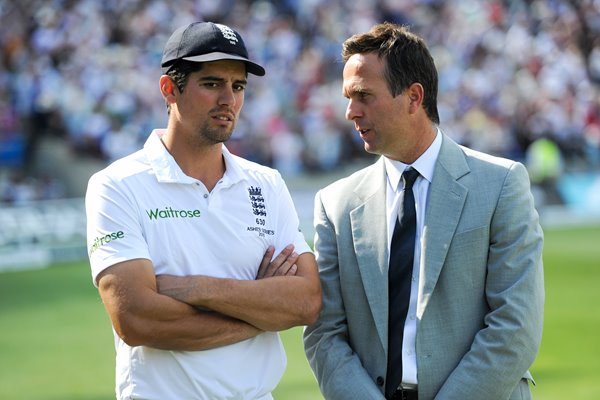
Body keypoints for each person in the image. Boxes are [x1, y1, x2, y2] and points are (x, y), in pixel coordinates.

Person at [303, 22, 544, 400]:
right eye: (348, 97)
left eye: (364, 95)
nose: (351, 111)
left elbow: (515, 327)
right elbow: (324, 333)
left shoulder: (501, 184)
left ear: (414, 97)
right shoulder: (335, 204)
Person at [85, 21, 321, 400]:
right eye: (212, 83)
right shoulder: (117, 185)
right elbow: (137, 319)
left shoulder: (266, 183)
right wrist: (260, 310)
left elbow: (307, 301)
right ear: (170, 89)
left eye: (238, 86)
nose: (228, 99)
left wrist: (194, 288)